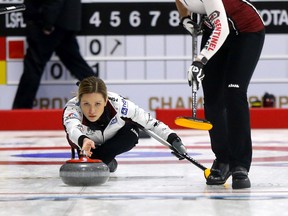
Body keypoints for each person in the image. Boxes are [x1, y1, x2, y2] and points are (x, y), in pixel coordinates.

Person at [175, 0, 265, 189]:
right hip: (214, 28)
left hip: (245, 32)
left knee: (234, 92)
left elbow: (222, 29)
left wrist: (200, 61)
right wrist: (185, 19)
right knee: (213, 97)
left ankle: (240, 165)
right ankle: (223, 159)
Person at [62, 76, 188, 172]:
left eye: (97, 104)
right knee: (74, 135)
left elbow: (151, 124)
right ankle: (105, 160)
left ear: (105, 101)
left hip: (112, 140)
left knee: (131, 133)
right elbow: (72, 128)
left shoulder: (122, 106)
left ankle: (102, 159)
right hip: (83, 142)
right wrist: (83, 140)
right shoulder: (72, 108)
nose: (92, 111)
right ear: (79, 101)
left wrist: (174, 139)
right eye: (86, 104)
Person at [12, 0, 95, 109]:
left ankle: (19, 113)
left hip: (51, 23)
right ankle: (101, 103)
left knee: (33, 66)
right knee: (77, 65)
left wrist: (47, 23)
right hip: (64, 20)